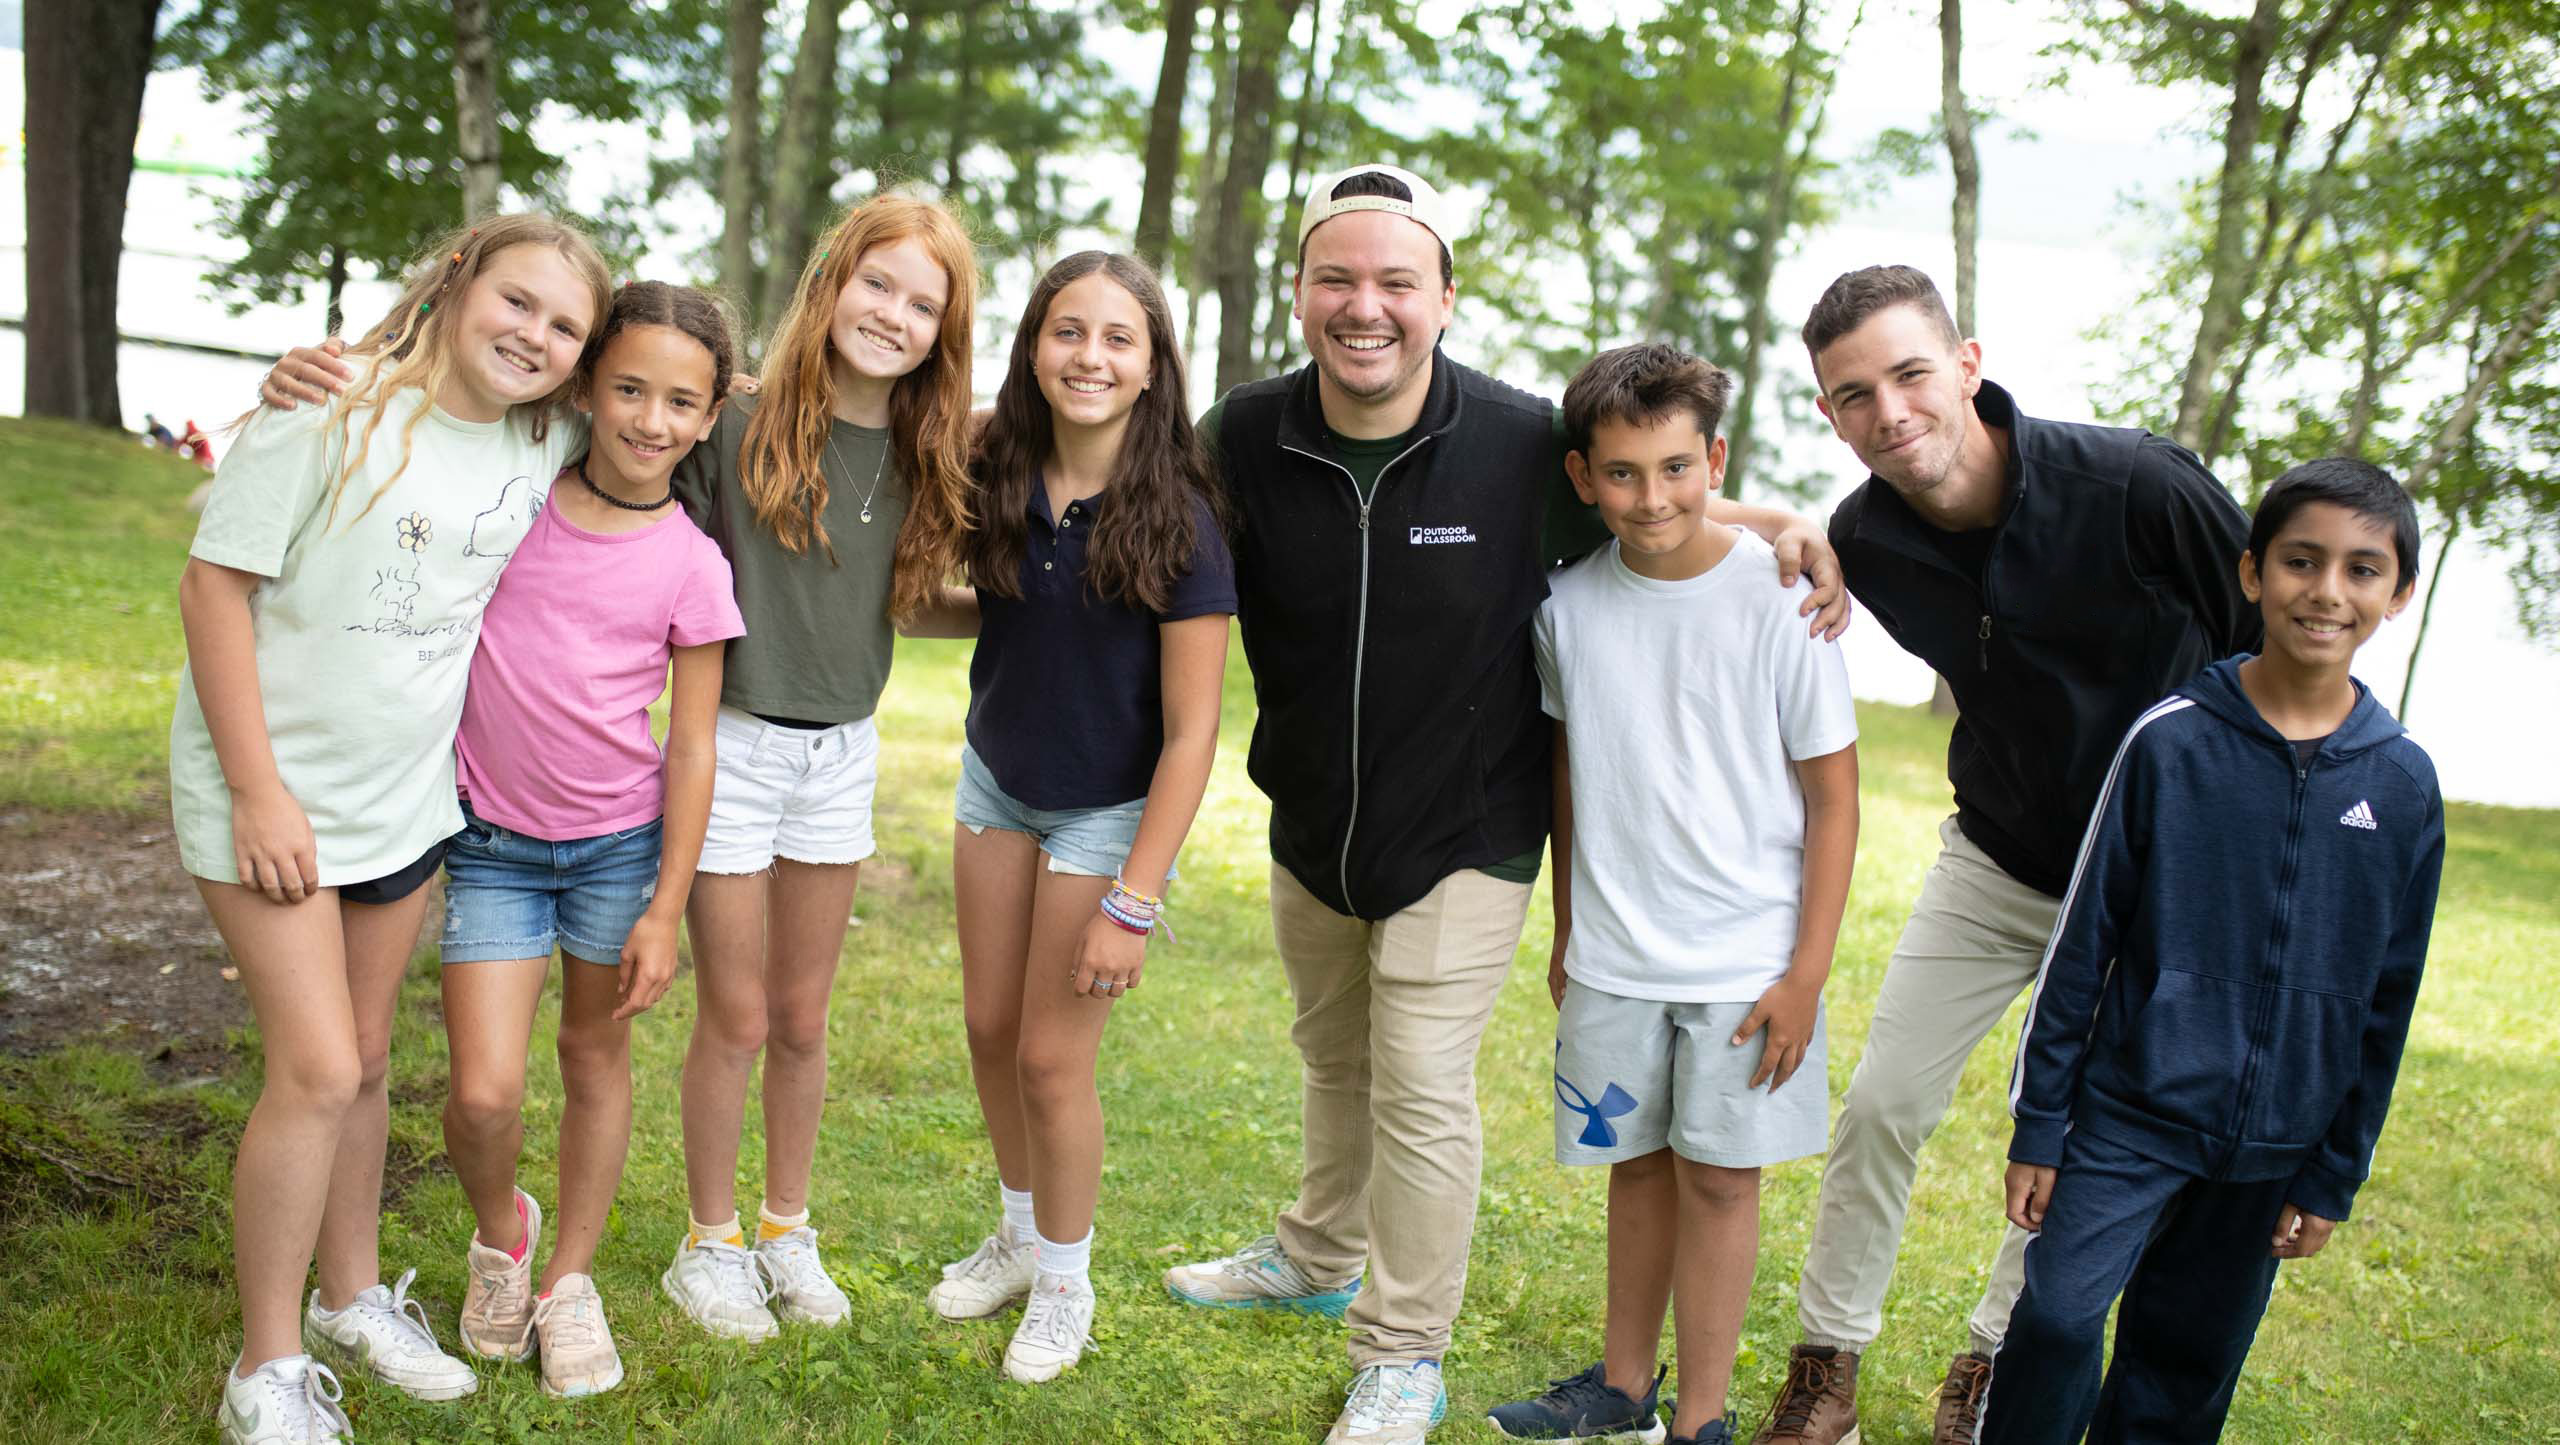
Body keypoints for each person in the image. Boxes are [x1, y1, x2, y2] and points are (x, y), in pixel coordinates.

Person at [1157, 163, 1848, 1445]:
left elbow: (1652, 503)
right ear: (1301, 291)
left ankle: (1401, 1354)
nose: (1365, 307)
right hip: (1311, 824)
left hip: (1468, 829)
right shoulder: (1244, 434)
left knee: (1419, 1081)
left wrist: (1784, 524)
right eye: (1337, 280)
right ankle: (1314, 1254)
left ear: (1443, 299)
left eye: (1394, 283)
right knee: (1334, 1057)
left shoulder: (1520, 440)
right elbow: (1139, 518)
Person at [261, 193, 982, 1344]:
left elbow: (895, 591)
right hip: (705, 754)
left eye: (922, 301)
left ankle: (778, 1229)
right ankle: (699, 1240)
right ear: (828, 280)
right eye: (874, 282)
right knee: (718, 1019)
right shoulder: (731, 422)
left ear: (949, 328)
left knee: (798, 1014)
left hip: (831, 755)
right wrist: (348, 361)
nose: (892, 313)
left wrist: (1045, 619)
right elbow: (519, 406)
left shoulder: (926, 445)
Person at [1751, 265, 2261, 1445]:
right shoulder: (1865, 538)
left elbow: (2270, 639)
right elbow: (1699, 517)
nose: (1890, 412)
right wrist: (1785, 526)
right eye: (1853, 394)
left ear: (1968, 365)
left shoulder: (2136, 485)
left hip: (2149, 886)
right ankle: (1825, 1369)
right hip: (1993, 860)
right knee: (1881, 1101)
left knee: (2077, 1139)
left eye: (1911, 374)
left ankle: (1986, 1362)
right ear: (1828, 414)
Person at [181, 214, 610, 1445]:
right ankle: (264, 1366)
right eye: (515, 300)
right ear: (460, 278)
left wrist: (734, 375)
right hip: (269, 791)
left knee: (366, 1058)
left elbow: (672, 391)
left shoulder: (549, 433)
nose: (532, 334)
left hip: (405, 797)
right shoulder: (329, 404)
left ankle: (350, 1295)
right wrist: (258, 790)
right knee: (314, 1068)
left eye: (564, 325)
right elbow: (214, 584)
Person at [1978, 458, 2442, 1443]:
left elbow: (2388, 998)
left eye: (2361, 570)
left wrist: (2330, 1171)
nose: (2325, 590)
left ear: (2397, 593)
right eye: (2300, 561)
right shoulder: (2171, 742)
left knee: (2183, 1364)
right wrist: (2040, 1123)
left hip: (2274, 1142)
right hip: (2128, 1116)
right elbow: (2081, 944)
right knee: (2057, 1315)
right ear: (2250, 573)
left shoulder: (2403, 784)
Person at [1488, 345, 1859, 1445]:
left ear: (1716, 460)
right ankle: (1622, 1383)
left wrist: (1806, 976)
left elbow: (1834, 800)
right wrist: (1566, 927)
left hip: (1746, 968)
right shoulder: (1565, 607)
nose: (1650, 497)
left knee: (1716, 1180)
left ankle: (1699, 1419)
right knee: (1634, 1170)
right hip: (1613, 954)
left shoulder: (1783, 601)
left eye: (1674, 467)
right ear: (1580, 476)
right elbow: (1569, 773)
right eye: (1620, 474)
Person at [924, 251, 1234, 1384]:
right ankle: (1017, 1233)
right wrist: (898, 602)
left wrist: (1132, 899)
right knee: (988, 1027)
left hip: (1105, 813)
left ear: (1154, 366)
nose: (1089, 356)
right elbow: (996, 610)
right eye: (1067, 330)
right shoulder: (998, 464)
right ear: (1034, 346)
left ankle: (1065, 1281)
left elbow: (1194, 731)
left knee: (1053, 1061)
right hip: (996, 782)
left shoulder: (1180, 517)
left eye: (1117, 338)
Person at [435, 281, 745, 1398]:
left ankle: (568, 1277)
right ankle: (500, 1238)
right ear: (585, 387)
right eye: (628, 388)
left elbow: (694, 748)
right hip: (491, 844)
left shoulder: (695, 563)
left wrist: (667, 905)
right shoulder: (516, 503)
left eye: (680, 401)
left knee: (592, 1055)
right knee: (482, 1093)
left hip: (619, 850)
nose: (650, 420)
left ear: (711, 417)